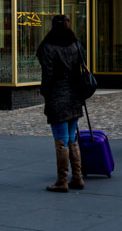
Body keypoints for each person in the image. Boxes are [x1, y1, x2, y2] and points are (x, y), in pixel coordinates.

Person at [36, 14, 88, 192]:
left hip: (58, 97)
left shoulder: (49, 47)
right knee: (72, 138)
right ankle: (78, 177)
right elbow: (83, 65)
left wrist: (45, 93)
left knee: (61, 141)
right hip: (74, 97)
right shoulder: (75, 44)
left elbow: (47, 75)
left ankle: (62, 180)